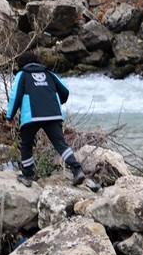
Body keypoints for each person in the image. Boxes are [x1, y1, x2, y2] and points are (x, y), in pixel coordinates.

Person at [6, 51, 87, 187]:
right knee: (60, 144)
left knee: (26, 145)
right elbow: (65, 91)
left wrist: (9, 117)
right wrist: (53, 102)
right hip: (53, 114)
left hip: (31, 115)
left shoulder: (23, 74)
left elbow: (15, 96)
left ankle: (28, 176)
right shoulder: (49, 73)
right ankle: (77, 169)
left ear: (21, 64)